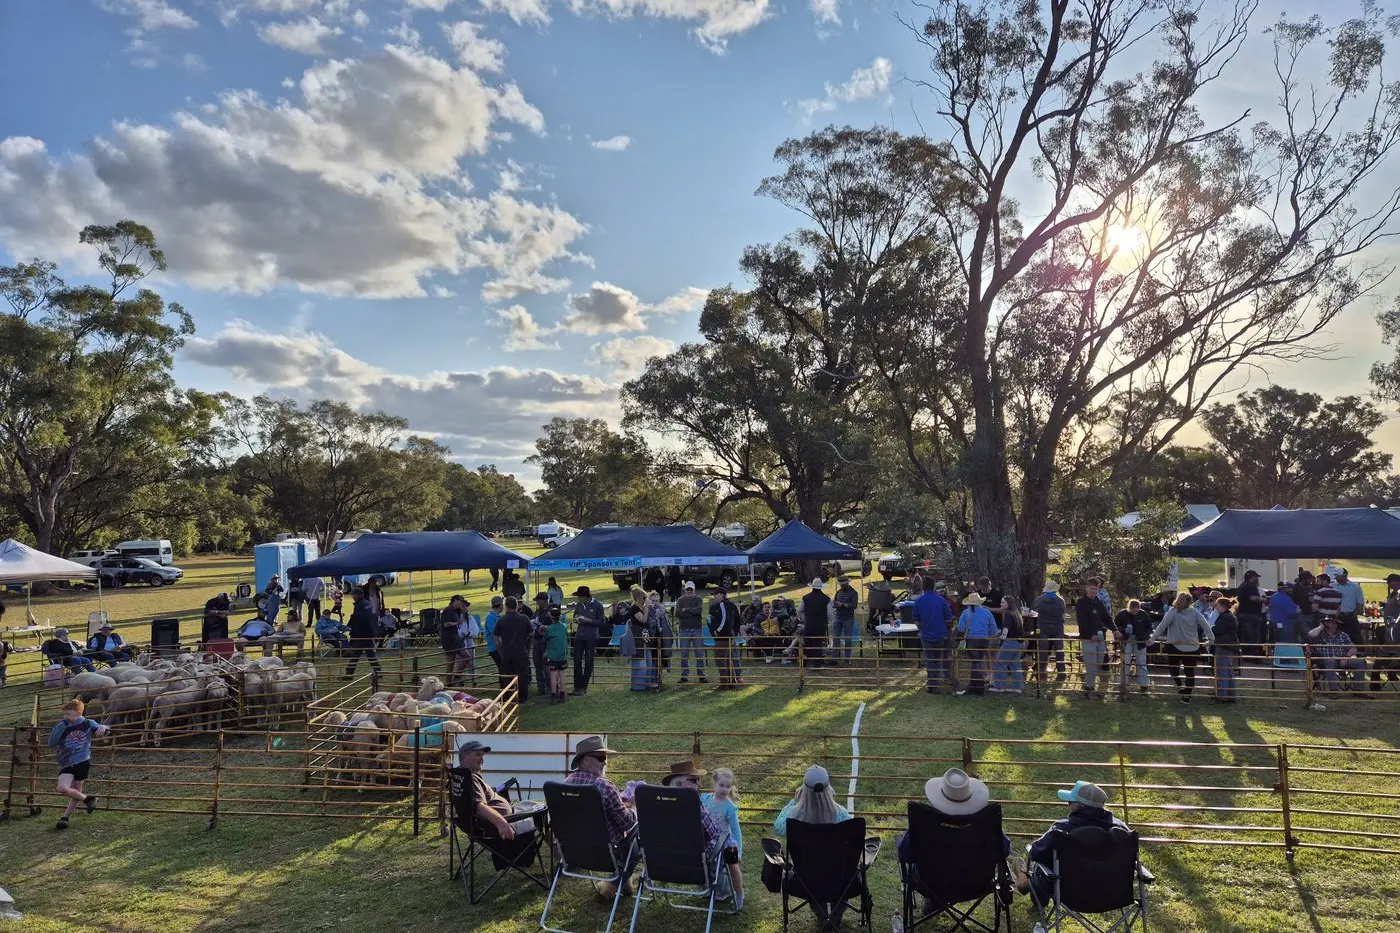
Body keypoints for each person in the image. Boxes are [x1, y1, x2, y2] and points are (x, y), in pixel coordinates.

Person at [1010, 781, 1129, 912]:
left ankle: (1024, 882)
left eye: (1069, 802)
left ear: (1079, 806)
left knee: (1041, 864)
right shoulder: (1123, 831)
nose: (1068, 805)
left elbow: (1036, 853)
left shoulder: (1063, 830)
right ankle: (1024, 880)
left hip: (1069, 893)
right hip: (1112, 893)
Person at [898, 768, 1008, 901]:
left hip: (930, 884)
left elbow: (904, 852)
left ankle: (935, 903)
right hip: (977, 884)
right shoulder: (985, 822)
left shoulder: (925, 822)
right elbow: (1004, 849)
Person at [773, 765, 855, 928]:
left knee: (813, 877)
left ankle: (822, 915)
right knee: (843, 872)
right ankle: (837, 914)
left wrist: (793, 802)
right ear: (828, 788)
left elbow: (778, 826)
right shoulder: (842, 815)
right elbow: (852, 837)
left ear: (803, 790)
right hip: (840, 877)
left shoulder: (795, 817)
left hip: (807, 879)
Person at [564, 735, 639, 892]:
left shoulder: (564, 785)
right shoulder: (604, 786)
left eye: (605, 757)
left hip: (573, 852)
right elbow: (627, 823)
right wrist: (633, 806)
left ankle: (624, 884)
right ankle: (612, 884)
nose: (605, 762)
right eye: (600, 757)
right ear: (584, 760)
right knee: (640, 831)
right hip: (608, 853)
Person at [456, 739, 540, 869]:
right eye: (478, 755)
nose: (482, 759)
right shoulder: (470, 779)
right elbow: (480, 806)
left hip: (484, 824)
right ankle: (565, 861)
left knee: (532, 805)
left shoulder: (459, 777)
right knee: (544, 814)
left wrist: (495, 793)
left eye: (483, 756)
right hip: (502, 824)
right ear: (465, 756)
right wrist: (501, 824)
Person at [48, 699, 109, 831]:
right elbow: (51, 743)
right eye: (65, 714)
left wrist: (103, 727)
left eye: (68, 714)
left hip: (82, 760)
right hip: (67, 761)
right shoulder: (62, 725)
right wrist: (60, 728)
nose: (65, 717)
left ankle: (65, 818)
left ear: (78, 713)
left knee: (76, 790)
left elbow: (102, 728)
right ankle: (88, 799)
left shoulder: (88, 723)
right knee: (62, 788)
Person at [1153, 592, 1213, 703]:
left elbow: (1162, 626)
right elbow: (1206, 625)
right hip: (1191, 646)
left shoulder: (1173, 612)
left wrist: (1152, 638)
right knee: (1190, 672)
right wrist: (1211, 639)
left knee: (1174, 669)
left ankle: (1180, 686)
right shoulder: (1194, 612)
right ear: (1190, 602)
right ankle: (1187, 695)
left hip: (1174, 645)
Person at [659, 760, 723, 855]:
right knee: (726, 842)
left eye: (698, 779)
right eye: (693, 780)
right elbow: (712, 834)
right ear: (679, 784)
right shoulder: (694, 804)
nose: (698, 783)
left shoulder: (657, 804)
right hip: (694, 861)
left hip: (661, 860)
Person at [703, 767, 746, 909]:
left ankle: (739, 894)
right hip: (709, 841)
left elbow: (735, 829)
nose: (724, 789)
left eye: (728, 786)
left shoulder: (730, 807)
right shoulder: (704, 799)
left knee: (733, 866)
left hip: (727, 842)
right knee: (706, 863)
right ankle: (710, 888)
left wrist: (738, 850)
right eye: (721, 785)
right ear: (714, 783)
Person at [1307, 615, 1368, 695]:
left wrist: (1346, 657)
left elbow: (1353, 648)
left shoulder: (1342, 635)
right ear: (1325, 624)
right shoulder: (1319, 635)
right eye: (1331, 623)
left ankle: (1359, 691)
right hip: (1324, 661)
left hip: (1342, 659)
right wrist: (1321, 626)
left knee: (1360, 662)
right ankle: (1333, 691)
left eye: (1335, 623)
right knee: (1330, 661)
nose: (1334, 625)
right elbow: (1310, 634)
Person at [1076, 578, 1114, 699]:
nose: (1094, 591)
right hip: (1088, 638)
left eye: (1096, 588)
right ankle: (1090, 689)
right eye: (1092, 588)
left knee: (1098, 663)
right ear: (1086, 588)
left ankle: (1088, 686)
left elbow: (1106, 618)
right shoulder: (1081, 603)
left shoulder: (1098, 602)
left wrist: (1115, 629)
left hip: (1100, 637)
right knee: (1091, 664)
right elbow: (1082, 622)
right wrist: (1090, 634)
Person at [914, 582, 954, 693]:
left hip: (926, 635)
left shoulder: (918, 600)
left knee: (929, 659)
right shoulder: (942, 601)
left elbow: (916, 620)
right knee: (937, 659)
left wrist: (922, 628)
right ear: (933, 587)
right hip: (940, 634)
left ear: (923, 587)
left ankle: (932, 684)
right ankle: (934, 683)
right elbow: (949, 619)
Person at [956, 592, 998, 696]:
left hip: (971, 640)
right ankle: (974, 685)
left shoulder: (966, 613)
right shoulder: (987, 612)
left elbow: (960, 628)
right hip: (984, 640)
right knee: (978, 661)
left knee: (976, 663)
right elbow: (994, 629)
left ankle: (978, 687)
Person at [494, 597, 533, 705]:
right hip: (520, 651)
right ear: (517, 606)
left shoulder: (501, 620)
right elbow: (531, 633)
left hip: (506, 652)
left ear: (506, 606)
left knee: (508, 676)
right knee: (522, 675)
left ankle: (510, 697)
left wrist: (499, 647)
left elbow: (496, 636)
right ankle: (522, 699)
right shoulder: (524, 618)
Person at [1113, 599, 1153, 695]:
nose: (1135, 611)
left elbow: (1150, 628)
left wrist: (1147, 637)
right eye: (1132, 609)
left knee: (1141, 663)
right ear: (1129, 607)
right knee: (1125, 663)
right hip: (1126, 641)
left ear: (1139, 608)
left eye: (1137, 609)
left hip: (1140, 642)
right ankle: (1123, 683)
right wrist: (1123, 630)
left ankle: (1144, 685)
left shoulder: (1144, 615)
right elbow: (1115, 626)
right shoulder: (1122, 614)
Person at [571, 585, 605, 696]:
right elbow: (575, 615)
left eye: (580, 597)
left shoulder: (598, 605)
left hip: (591, 636)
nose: (578, 599)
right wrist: (576, 619)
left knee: (589, 660)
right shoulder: (578, 605)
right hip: (579, 636)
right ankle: (576, 686)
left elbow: (602, 622)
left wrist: (588, 620)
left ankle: (583, 687)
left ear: (586, 597)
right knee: (577, 660)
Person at [1033, 581, 1068, 684]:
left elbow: (1035, 608)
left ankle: (1042, 673)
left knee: (1043, 650)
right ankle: (1061, 671)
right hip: (1057, 627)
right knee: (1059, 650)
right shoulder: (1061, 601)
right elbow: (1062, 611)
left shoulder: (1039, 599)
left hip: (1044, 627)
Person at [628, 587, 662, 692]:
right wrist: (646, 609)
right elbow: (643, 620)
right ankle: (638, 685)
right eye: (643, 598)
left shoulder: (642, 607)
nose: (645, 600)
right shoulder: (634, 608)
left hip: (646, 636)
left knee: (649, 661)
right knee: (640, 661)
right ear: (637, 598)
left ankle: (647, 683)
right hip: (638, 637)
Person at [343, 595, 383, 682]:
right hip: (368, 633)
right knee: (369, 655)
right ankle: (378, 671)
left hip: (362, 634)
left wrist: (353, 629)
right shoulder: (367, 604)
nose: (353, 597)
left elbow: (358, 619)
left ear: (357, 595)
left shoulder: (360, 605)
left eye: (354, 595)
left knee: (356, 654)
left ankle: (349, 674)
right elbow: (371, 618)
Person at [708, 587, 742, 688]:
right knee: (728, 660)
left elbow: (725, 620)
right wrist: (734, 635)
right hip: (730, 637)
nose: (714, 597)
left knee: (720, 660)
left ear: (721, 595)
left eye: (716, 594)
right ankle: (732, 682)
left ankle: (724, 683)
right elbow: (738, 622)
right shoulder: (732, 605)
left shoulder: (722, 605)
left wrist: (717, 631)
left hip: (722, 637)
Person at [991, 596, 1026, 694]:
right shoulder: (1017, 613)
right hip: (1019, 642)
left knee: (1000, 663)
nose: (1000, 604)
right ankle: (1018, 687)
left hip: (1010, 642)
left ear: (1008, 604)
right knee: (1015, 664)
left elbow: (1006, 626)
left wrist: (1003, 635)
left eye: (1003, 602)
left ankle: (1000, 687)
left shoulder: (1008, 614)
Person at [675, 581, 708, 684]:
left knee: (699, 653)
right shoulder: (680, 600)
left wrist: (686, 610)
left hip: (697, 629)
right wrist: (691, 612)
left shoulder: (698, 599)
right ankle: (684, 676)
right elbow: (677, 613)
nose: (689, 591)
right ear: (685, 590)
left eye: (691, 589)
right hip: (684, 629)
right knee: (684, 654)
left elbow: (699, 611)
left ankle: (702, 675)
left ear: (694, 590)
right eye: (687, 589)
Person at [440, 595, 472, 688]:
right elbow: (446, 624)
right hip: (448, 639)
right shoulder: (448, 610)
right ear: (455, 600)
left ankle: (457, 675)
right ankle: (449, 684)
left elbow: (462, 615)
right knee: (450, 663)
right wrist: (457, 623)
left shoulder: (456, 611)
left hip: (456, 638)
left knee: (467, 657)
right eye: (460, 602)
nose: (461, 604)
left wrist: (463, 611)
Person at [801, 578, 832, 668]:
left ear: (812, 587)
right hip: (820, 625)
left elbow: (799, 610)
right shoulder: (826, 599)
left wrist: (804, 619)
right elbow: (830, 613)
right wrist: (827, 622)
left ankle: (804, 664)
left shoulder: (805, 598)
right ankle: (817, 665)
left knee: (807, 643)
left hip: (809, 624)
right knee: (818, 643)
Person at [1333, 568, 1366, 647]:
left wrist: (1354, 614)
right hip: (1337, 616)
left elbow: (1359, 602)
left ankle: (1361, 656)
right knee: (1338, 638)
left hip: (1351, 616)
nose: (1336, 578)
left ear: (1344, 576)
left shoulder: (1355, 587)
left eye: (1338, 576)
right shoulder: (1333, 586)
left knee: (1356, 638)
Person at [1235, 570, 1265, 653]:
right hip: (1250, 615)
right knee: (1253, 637)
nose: (1257, 579)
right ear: (1252, 577)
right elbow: (1253, 598)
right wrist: (1264, 599)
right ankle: (1254, 656)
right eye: (1256, 577)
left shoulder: (1242, 585)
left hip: (1242, 614)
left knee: (1245, 637)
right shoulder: (1250, 585)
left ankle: (1246, 655)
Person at [832, 577, 859, 665]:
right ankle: (834, 658)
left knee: (847, 639)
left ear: (847, 583)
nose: (841, 586)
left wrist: (843, 605)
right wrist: (835, 604)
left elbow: (854, 605)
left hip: (848, 618)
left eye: (843, 584)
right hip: (838, 617)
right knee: (835, 637)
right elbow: (835, 602)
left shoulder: (853, 593)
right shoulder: (838, 592)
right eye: (840, 584)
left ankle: (847, 658)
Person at [531, 594, 552, 696]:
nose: (537, 603)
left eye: (538, 600)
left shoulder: (550, 611)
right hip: (537, 640)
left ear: (544, 600)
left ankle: (549, 686)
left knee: (546, 665)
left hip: (546, 641)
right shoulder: (537, 612)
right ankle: (541, 687)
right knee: (537, 663)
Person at [545, 609, 569, 704]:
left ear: (551, 617)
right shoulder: (564, 626)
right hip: (563, 655)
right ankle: (563, 695)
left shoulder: (549, 628)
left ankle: (554, 695)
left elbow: (546, 637)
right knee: (562, 675)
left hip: (553, 656)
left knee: (553, 676)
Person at [484, 596, 504, 671]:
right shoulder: (490, 618)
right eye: (502, 604)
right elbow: (495, 633)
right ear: (500, 605)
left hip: (499, 647)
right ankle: (503, 683)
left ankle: (503, 682)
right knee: (503, 667)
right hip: (495, 647)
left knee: (503, 668)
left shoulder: (499, 616)